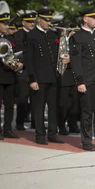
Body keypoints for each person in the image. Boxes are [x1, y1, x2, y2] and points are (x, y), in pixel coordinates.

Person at [69, 8, 95, 151]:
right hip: (88, 79)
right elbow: (76, 61)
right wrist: (80, 81)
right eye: (92, 17)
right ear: (85, 19)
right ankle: (87, 141)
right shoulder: (77, 36)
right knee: (87, 113)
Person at [25, 8, 68, 145]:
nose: (48, 22)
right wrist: (32, 79)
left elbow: (57, 54)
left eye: (50, 20)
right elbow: (29, 59)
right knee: (39, 107)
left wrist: (65, 59)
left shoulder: (53, 34)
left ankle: (52, 133)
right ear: (39, 19)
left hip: (53, 77)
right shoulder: (32, 35)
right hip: (39, 77)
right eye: (46, 19)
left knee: (54, 107)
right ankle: (40, 134)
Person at [0, 12, 21, 140]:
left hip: (10, 75)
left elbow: (19, 53)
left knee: (10, 104)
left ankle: (8, 129)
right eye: (4, 24)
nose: (6, 26)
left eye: (8, 24)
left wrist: (20, 64)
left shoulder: (10, 38)